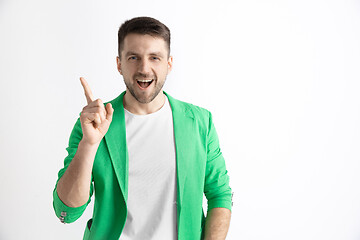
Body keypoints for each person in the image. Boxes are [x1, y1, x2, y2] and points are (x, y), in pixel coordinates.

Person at [53, 16, 232, 240]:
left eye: (155, 58)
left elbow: (219, 194)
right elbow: (67, 211)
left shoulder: (199, 122)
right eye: (134, 57)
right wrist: (89, 144)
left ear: (169, 64)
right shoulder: (93, 124)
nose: (144, 69)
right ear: (119, 64)